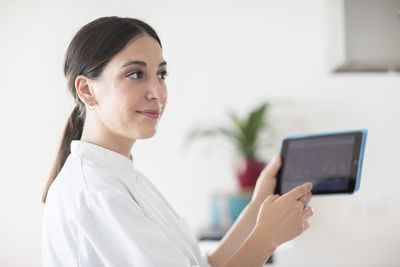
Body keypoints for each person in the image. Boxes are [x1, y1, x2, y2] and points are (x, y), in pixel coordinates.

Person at [41, 16, 313, 267]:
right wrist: (266, 239)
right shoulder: (98, 192)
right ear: (87, 90)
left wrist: (257, 206)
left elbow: (204, 264)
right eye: (135, 74)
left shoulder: (122, 178)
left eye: (161, 74)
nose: (157, 92)